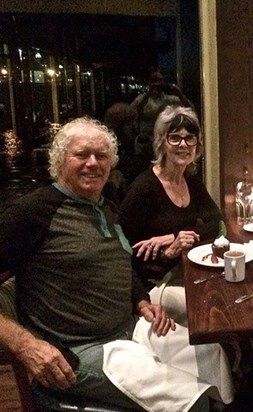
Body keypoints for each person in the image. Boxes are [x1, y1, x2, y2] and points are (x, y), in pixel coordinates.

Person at [0, 117, 234, 411]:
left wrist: (141, 301)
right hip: (79, 350)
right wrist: (24, 345)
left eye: (101, 156)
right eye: (82, 155)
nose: (93, 163)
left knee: (211, 355)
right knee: (192, 399)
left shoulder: (105, 206)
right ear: (59, 161)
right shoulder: (32, 212)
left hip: (132, 329)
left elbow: (121, 261)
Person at [120, 105, 224, 291]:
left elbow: (215, 223)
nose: (183, 145)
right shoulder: (144, 188)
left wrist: (173, 236)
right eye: (174, 138)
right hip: (154, 283)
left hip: (185, 271)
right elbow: (125, 251)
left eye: (189, 138)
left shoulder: (190, 180)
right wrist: (167, 252)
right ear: (161, 143)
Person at [130, 70, 194, 162]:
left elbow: (190, 108)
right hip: (146, 140)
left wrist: (178, 93)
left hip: (164, 139)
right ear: (149, 82)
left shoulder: (170, 99)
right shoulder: (142, 99)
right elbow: (130, 112)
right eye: (154, 80)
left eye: (159, 81)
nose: (157, 84)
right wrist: (147, 95)